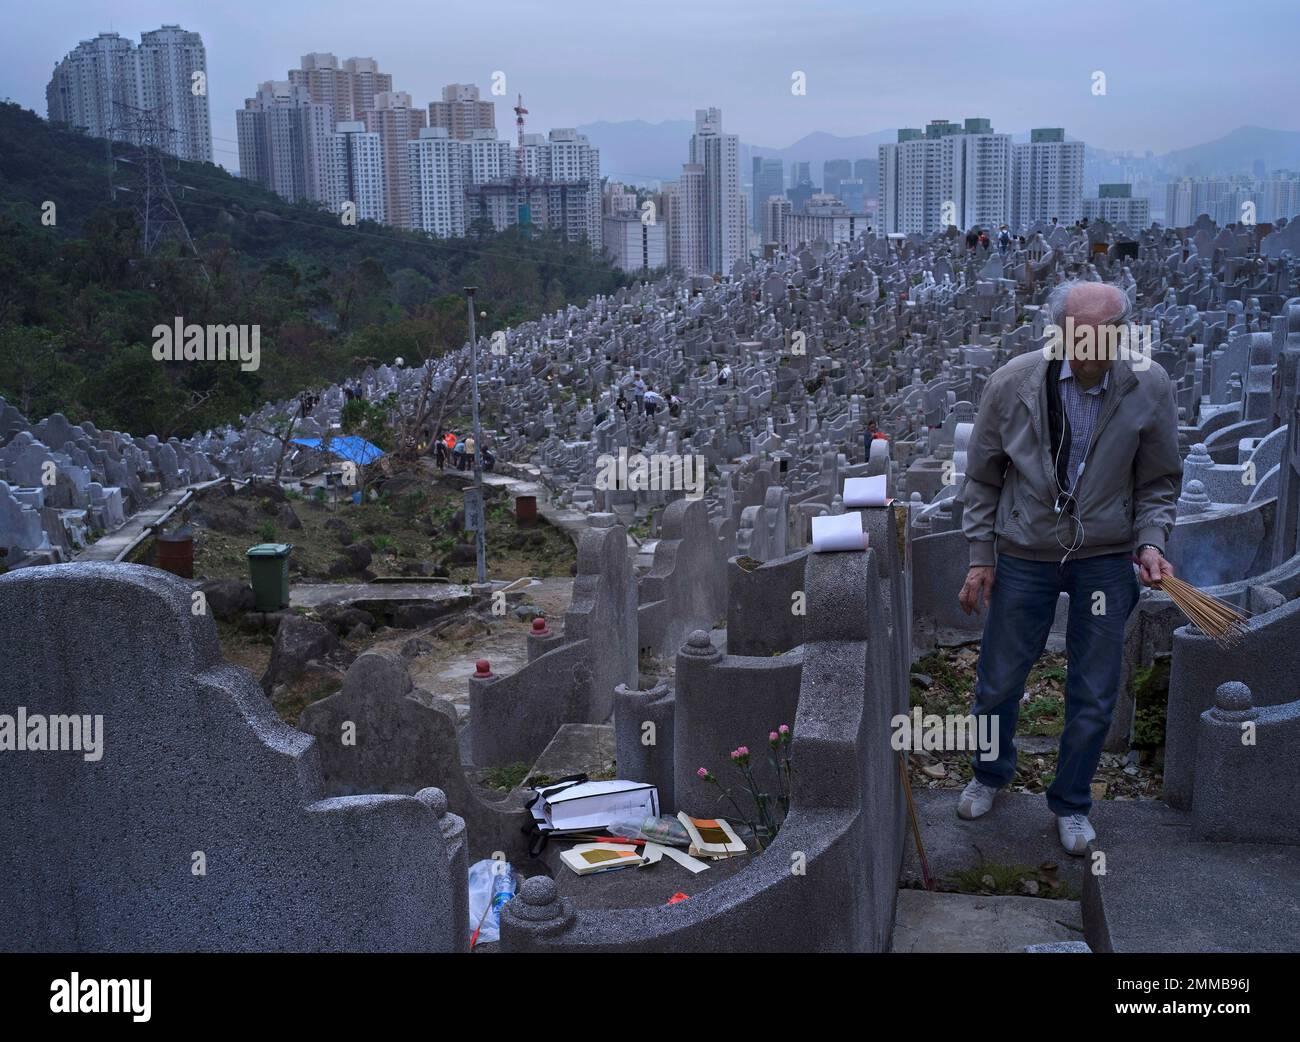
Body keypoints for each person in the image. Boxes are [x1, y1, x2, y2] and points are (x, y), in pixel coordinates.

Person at [956, 280, 1180, 855]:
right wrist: (982, 556)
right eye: (1080, 331)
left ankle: (1073, 801)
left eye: (1106, 332)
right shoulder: (1013, 383)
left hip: (1104, 556)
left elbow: (1157, 480)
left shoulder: (1147, 386)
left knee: (1095, 686)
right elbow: (982, 477)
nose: (1092, 343)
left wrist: (1151, 542)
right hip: (1027, 550)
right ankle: (988, 771)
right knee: (1001, 676)